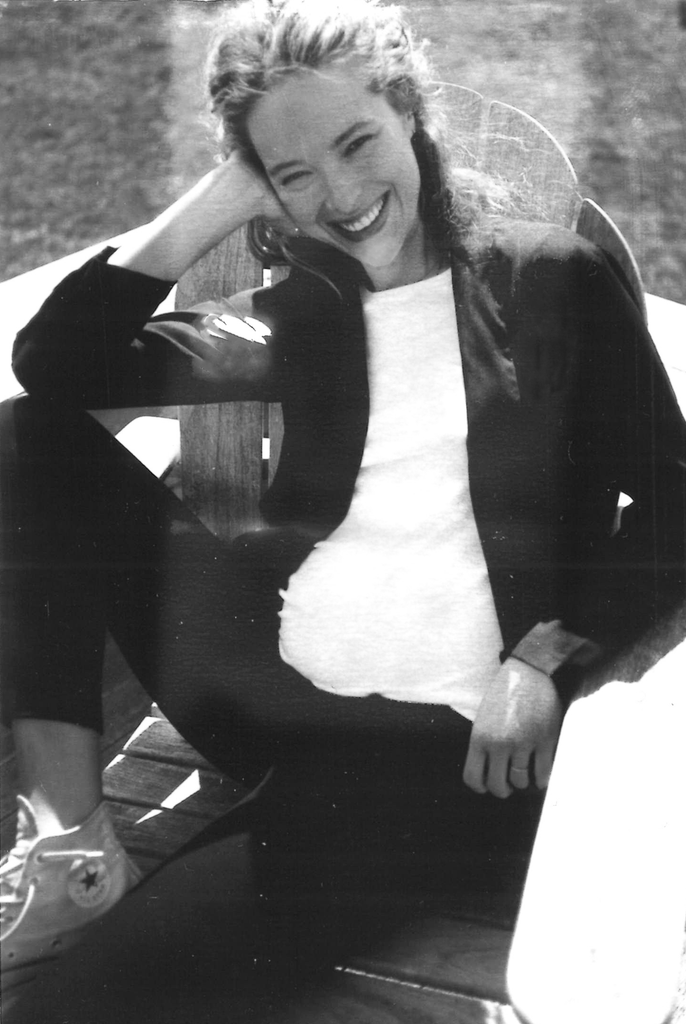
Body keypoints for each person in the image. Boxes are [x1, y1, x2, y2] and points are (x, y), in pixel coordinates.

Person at [1, 0, 684, 1015]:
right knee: (27, 438)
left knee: (82, 1008)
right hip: (264, 689)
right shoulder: (291, 318)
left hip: (430, 763)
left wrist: (544, 657)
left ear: (407, 108)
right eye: (296, 172)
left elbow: (674, 500)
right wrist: (222, 197)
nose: (343, 193)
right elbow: (54, 366)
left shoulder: (545, 279)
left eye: (357, 140)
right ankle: (69, 849)